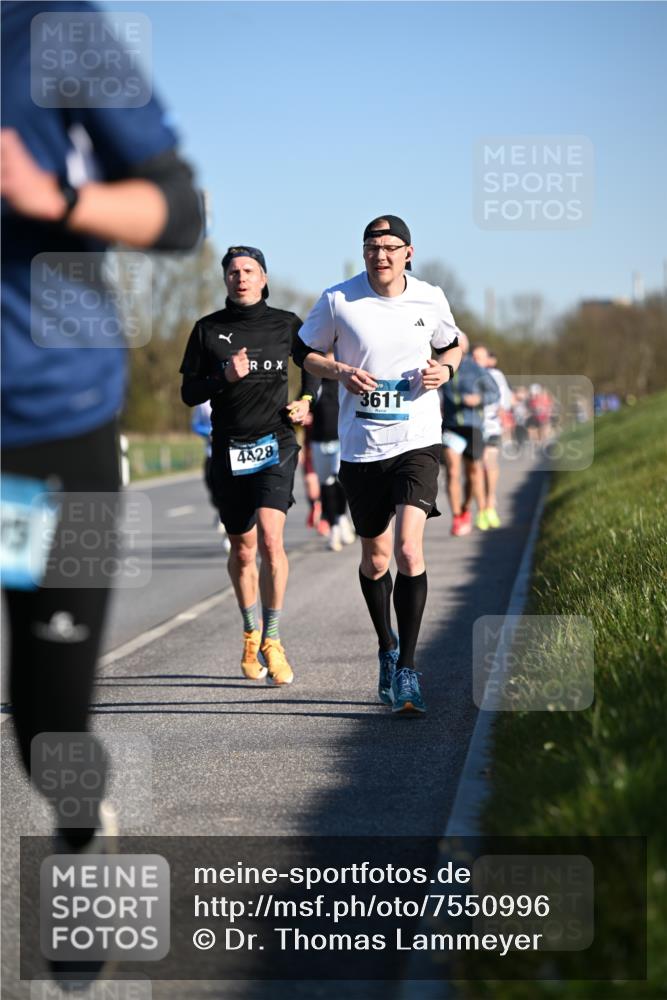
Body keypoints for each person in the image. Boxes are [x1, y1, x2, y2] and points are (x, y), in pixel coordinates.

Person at [1, 0, 204, 983]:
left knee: (45, 721)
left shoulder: (52, 27)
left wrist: (53, 199)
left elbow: (178, 210)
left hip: (44, 428)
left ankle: (81, 832)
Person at [294, 215, 462, 715]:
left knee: (410, 550)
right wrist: (339, 370)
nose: (380, 254)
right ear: (363, 252)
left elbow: (454, 341)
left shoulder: (430, 297)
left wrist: (445, 368)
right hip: (362, 447)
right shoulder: (338, 299)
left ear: (409, 252)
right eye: (372, 246)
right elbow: (302, 351)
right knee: (377, 559)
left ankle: (408, 669)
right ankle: (386, 646)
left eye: (390, 246)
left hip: (417, 440)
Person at [180, 246, 319, 686]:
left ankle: (273, 639)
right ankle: (249, 631)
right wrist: (224, 377)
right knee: (242, 549)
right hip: (229, 449)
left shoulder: (286, 324)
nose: (241, 278)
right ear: (225, 280)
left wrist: (307, 399)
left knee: (272, 542)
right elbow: (189, 393)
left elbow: (310, 363)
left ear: (263, 278)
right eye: (233, 272)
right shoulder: (208, 330)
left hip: (276, 442)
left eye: (249, 271)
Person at [440, 334, 500, 536]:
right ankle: (457, 517)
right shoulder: (439, 365)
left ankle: (466, 508)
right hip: (451, 427)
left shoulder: (476, 369)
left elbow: (495, 394)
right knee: (453, 471)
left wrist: (479, 399)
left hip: (473, 426)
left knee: (473, 473)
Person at [310, 367, 355, 552]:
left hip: (340, 440)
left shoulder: (342, 382)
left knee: (338, 480)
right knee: (326, 483)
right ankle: (336, 521)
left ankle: (338, 522)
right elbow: (303, 404)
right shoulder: (313, 382)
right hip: (318, 441)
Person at [471, 345, 512, 529]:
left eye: (481, 357)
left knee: (490, 462)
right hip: (472, 426)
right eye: (474, 356)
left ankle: (489, 501)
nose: (477, 360)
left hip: (492, 425)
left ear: (488, 359)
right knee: (476, 467)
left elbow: (504, 400)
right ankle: (481, 508)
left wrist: (502, 412)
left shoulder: (496, 376)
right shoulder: (465, 374)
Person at [191, 399, 232, 552]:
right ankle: (220, 512)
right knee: (214, 491)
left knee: (232, 496)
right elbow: (195, 425)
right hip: (211, 454)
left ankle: (228, 533)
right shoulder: (202, 403)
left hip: (233, 453)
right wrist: (209, 432)